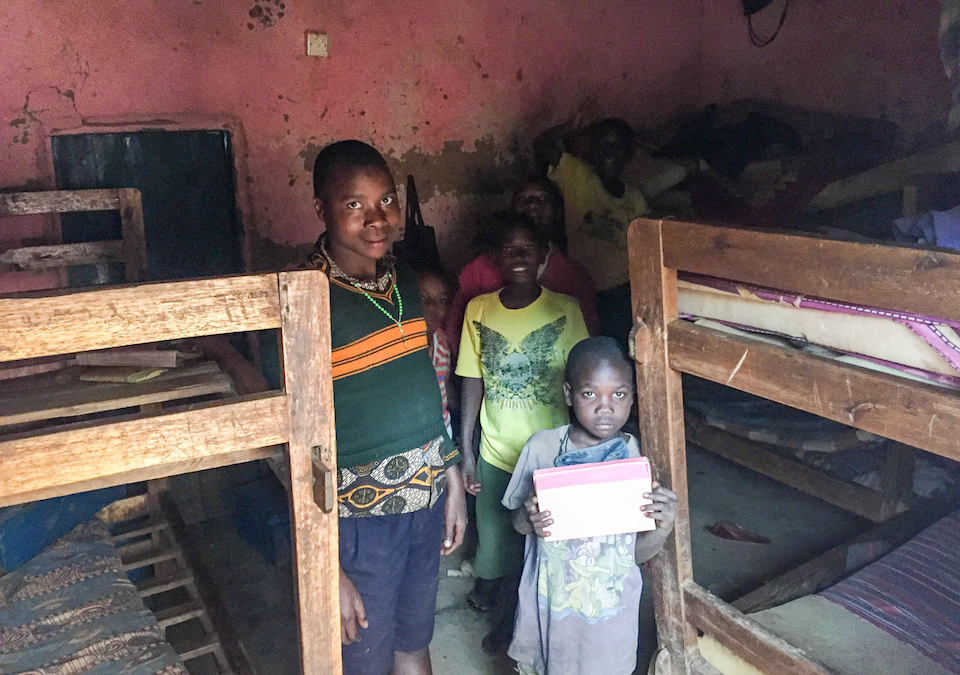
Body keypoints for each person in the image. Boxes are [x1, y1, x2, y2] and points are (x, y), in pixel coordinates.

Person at [304, 139, 467, 675]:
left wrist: (451, 480)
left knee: (414, 643)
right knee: (363, 660)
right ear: (321, 208)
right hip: (358, 521)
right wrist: (327, 562)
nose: (378, 219)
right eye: (354, 204)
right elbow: (293, 438)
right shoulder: (305, 300)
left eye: (387, 200)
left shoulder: (403, 281)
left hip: (424, 503)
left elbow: (426, 390)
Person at [502, 336, 678, 675]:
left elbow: (635, 554)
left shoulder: (637, 456)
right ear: (569, 394)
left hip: (610, 625)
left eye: (619, 394)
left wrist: (664, 525)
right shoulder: (543, 448)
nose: (605, 407)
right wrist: (528, 517)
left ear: (632, 396)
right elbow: (517, 524)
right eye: (589, 394)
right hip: (550, 614)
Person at [455, 213, 590, 647]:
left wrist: (587, 450)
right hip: (497, 450)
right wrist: (468, 450)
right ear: (494, 257)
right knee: (496, 539)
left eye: (527, 249)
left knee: (545, 545)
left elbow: (583, 379)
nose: (518, 257)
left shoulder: (564, 309)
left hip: (551, 454)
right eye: (508, 249)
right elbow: (471, 380)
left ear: (544, 256)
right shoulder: (479, 310)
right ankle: (503, 611)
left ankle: (519, 627)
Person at [443, 179, 600, 359]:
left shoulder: (574, 276)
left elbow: (587, 344)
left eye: (543, 198)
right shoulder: (478, 270)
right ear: (511, 208)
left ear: (558, 213)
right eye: (523, 198)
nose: (533, 204)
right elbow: (455, 331)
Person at [535, 119, 649, 354]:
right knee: (585, 352)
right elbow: (543, 144)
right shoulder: (577, 176)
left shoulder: (635, 199)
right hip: (581, 289)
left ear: (628, 154)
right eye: (599, 145)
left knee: (620, 352)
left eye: (615, 146)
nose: (607, 153)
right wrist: (578, 125)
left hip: (622, 293)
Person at [417, 268, 458, 439]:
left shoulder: (441, 341)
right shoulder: (395, 346)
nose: (432, 307)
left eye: (442, 300)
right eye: (422, 298)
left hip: (441, 438)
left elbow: (444, 390)